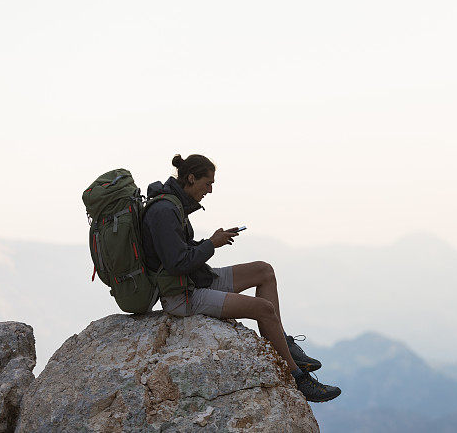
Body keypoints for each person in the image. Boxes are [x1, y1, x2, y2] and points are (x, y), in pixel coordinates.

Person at [141, 153, 341, 403]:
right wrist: (211, 244)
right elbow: (177, 263)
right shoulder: (164, 210)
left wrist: (210, 241)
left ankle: (284, 344)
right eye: (207, 183)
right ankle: (297, 377)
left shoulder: (173, 205)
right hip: (182, 295)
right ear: (191, 178)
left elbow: (179, 251)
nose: (210, 190)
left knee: (263, 270)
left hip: (196, 278)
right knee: (263, 309)